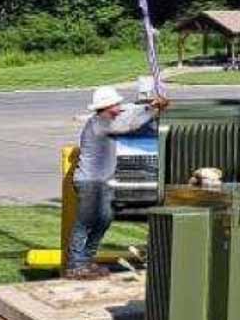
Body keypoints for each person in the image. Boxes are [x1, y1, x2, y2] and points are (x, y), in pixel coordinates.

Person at [66, 84, 166, 279]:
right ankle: (75, 265)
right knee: (85, 223)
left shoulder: (107, 118)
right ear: (107, 107)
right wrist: (153, 110)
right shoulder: (101, 123)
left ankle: (86, 260)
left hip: (102, 182)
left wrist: (150, 105)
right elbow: (129, 124)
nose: (120, 107)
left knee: (104, 220)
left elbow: (129, 110)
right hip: (90, 182)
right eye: (116, 104)